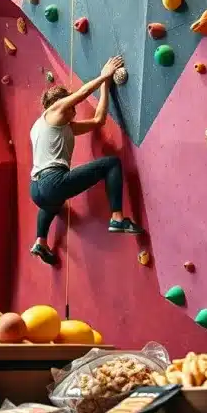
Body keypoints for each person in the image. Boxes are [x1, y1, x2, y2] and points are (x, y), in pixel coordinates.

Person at [28, 55, 144, 265]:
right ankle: (117, 218)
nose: (74, 110)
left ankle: (41, 240)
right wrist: (103, 75)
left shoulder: (51, 127)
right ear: (62, 103)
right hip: (51, 181)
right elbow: (82, 93)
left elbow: (98, 120)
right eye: (70, 105)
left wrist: (105, 87)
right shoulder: (53, 111)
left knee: (52, 204)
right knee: (111, 164)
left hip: (37, 190)